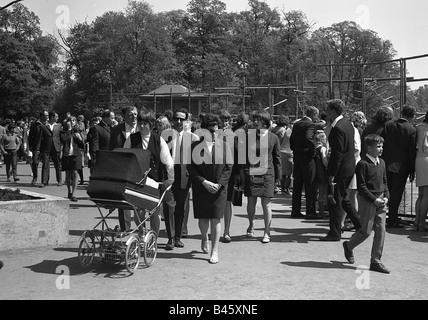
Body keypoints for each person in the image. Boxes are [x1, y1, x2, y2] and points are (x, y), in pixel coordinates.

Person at [342, 134, 391, 274]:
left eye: (382, 146)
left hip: (381, 199)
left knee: (381, 230)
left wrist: (386, 196)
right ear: (369, 148)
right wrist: (373, 199)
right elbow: (362, 186)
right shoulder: (362, 164)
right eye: (378, 146)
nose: (381, 149)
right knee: (366, 231)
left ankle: (376, 261)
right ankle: (349, 245)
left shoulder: (381, 162)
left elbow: (385, 181)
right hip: (368, 200)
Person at [187, 113, 232, 264]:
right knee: (203, 218)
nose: (214, 133)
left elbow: (228, 168)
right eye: (211, 131)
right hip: (201, 187)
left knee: (216, 218)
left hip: (219, 189)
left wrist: (219, 184)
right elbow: (191, 169)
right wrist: (204, 182)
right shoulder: (194, 147)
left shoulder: (225, 146)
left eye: (216, 130)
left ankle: (215, 250)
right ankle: (204, 237)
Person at [320, 99, 361, 241]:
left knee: (335, 201)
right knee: (344, 200)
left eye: (327, 109)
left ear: (332, 111)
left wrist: (331, 174)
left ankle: (335, 232)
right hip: (349, 168)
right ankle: (360, 226)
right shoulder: (348, 124)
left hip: (340, 170)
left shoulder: (337, 127)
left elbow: (337, 154)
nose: (326, 112)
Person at [130, 110, 175, 238]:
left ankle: (153, 238)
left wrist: (169, 181)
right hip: (137, 181)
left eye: (145, 123)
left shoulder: (159, 140)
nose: (142, 126)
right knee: (138, 212)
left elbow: (168, 162)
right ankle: (141, 234)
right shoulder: (132, 139)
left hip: (155, 181)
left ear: (151, 124)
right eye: (140, 123)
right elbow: (126, 158)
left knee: (154, 211)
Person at [161, 109, 199, 250]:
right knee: (169, 206)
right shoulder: (165, 137)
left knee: (181, 208)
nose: (178, 122)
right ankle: (170, 239)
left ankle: (178, 237)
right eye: (176, 119)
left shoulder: (194, 138)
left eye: (181, 119)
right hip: (169, 174)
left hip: (184, 175)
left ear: (186, 121)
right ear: (172, 120)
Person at [244, 110, 282, 243]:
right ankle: (251, 224)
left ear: (265, 122)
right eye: (253, 120)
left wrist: (278, 177)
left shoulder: (274, 137)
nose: (254, 122)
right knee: (251, 203)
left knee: (266, 204)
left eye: (257, 120)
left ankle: (267, 231)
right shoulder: (249, 136)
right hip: (253, 172)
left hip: (268, 174)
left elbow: (277, 158)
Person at [382, 105, 416, 228]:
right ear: (412, 116)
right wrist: (412, 170)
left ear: (401, 113)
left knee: (386, 192)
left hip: (386, 163)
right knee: (396, 193)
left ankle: (382, 217)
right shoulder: (411, 130)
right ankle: (393, 219)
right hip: (401, 166)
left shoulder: (389, 125)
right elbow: (411, 152)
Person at [109, 106, 139, 232]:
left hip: (138, 168)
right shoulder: (116, 130)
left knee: (138, 197)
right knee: (123, 198)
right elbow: (111, 149)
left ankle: (141, 227)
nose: (134, 117)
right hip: (121, 168)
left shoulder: (142, 128)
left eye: (136, 114)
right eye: (131, 114)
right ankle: (125, 228)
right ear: (124, 116)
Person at [222, 112, 248, 243]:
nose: (225, 122)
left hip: (231, 172)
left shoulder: (234, 135)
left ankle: (226, 231)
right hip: (214, 172)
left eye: (227, 119)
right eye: (222, 119)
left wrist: (241, 175)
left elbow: (240, 156)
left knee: (227, 202)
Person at [290, 106, 320, 219]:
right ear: (313, 114)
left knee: (297, 185)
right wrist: (313, 152)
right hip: (307, 157)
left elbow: (292, 139)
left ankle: (295, 210)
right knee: (310, 184)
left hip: (297, 156)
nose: (317, 118)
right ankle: (310, 211)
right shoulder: (310, 125)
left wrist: (295, 149)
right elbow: (309, 138)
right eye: (316, 115)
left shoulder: (297, 124)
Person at [342, 111, 366, 232]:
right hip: (354, 163)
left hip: (352, 164)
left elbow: (356, 148)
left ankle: (352, 221)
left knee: (349, 195)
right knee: (351, 195)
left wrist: (348, 159)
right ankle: (353, 221)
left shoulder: (354, 130)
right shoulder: (357, 130)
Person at [60, 116, 85, 202]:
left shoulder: (78, 132)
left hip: (76, 154)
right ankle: (69, 191)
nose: (72, 122)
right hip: (67, 155)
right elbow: (63, 139)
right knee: (68, 174)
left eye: (74, 120)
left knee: (75, 173)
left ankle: (74, 194)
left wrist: (79, 139)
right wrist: (69, 130)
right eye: (71, 120)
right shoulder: (64, 132)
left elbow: (82, 145)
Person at [39, 111, 63, 188]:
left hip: (56, 147)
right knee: (45, 165)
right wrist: (39, 149)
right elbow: (40, 138)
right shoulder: (43, 126)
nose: (58, 118)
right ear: (52, 117)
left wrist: (61, 146)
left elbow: (62, 137)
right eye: (56, 116)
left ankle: (59, 180)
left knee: (58, 165)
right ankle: (44, 181)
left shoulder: (59, 126)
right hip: (46, 148)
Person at [414, 110, 428, 232]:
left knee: (420, 194)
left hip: (418, 159)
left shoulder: (418, 127)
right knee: (427, 195)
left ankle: (417, 221)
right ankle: (422, 222)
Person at [272, 115, 293, 195]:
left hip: (274, 150)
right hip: (284, 151)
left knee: (278, 170)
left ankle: (276, 186)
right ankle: (285, 189)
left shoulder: (274, 129)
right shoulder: (283, 130)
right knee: (287, 173)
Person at [28, 110, 48, 186]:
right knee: (35, 162)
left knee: (45, 163)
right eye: (46, 115)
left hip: (46, 146)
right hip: (37, 146)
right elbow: (30, 135)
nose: (47, 117)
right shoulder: (34, 124)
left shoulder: (47, 124)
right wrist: (30, 145)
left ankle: (44, 180)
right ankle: (35, 177)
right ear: (42, 116)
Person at [314, 130, 329, 217]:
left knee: (316, 191)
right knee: (322, 192)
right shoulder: (322, 149)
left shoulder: (315, 148)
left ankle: (316, 209)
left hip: (315, 172)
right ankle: (322, 211)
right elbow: (324, 161)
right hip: (322, 172)